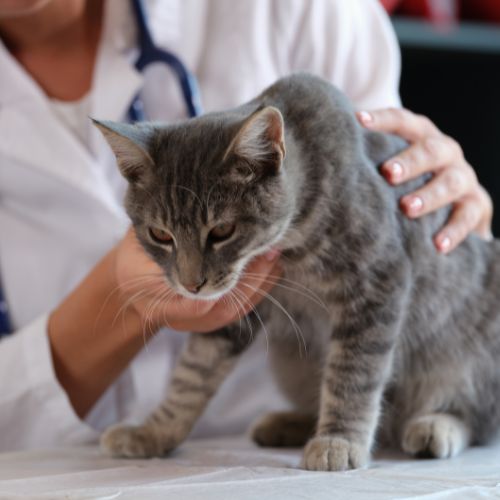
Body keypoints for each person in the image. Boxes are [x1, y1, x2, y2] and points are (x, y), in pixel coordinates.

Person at [0, 0, 492, 451]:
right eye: (162, 238)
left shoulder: (303, 11)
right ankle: (310, 414)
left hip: (415, 374)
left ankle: (454, 415)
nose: (192, 278)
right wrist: (121, 292)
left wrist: (464, 205)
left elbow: (383, 284)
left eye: (218, 236)